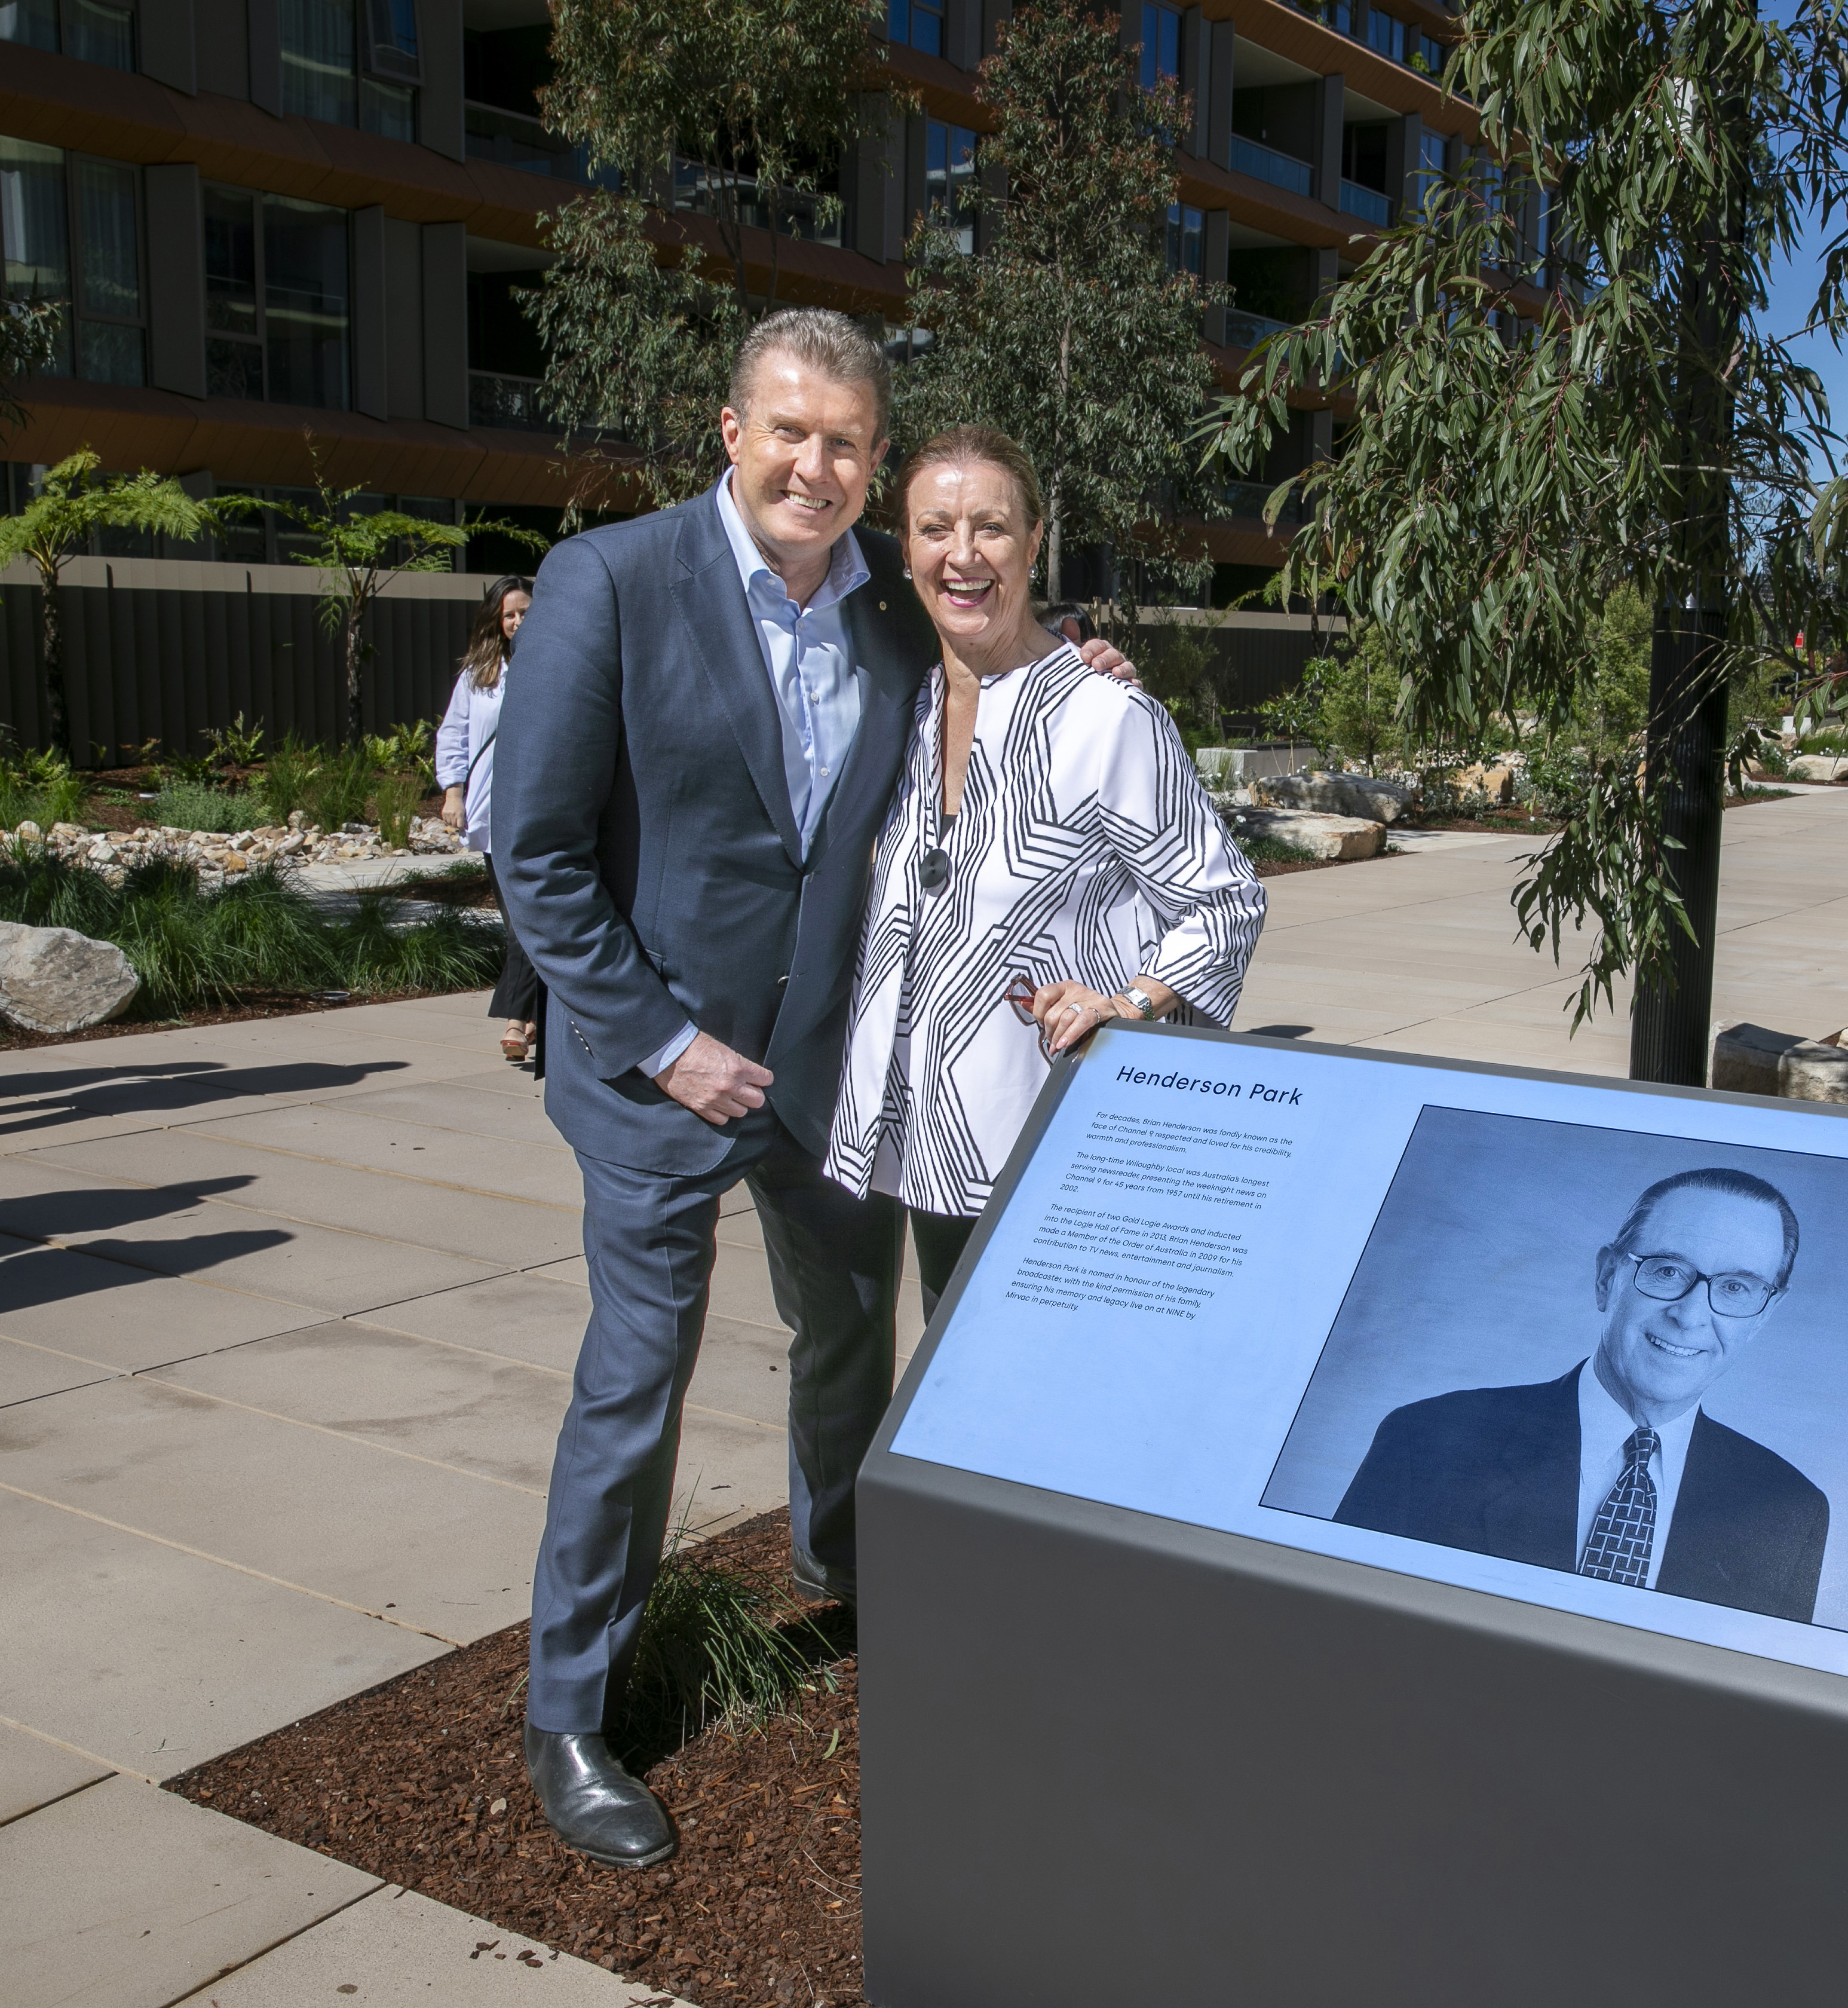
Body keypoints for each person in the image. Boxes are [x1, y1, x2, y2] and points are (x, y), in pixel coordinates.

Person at [491, 310, 1142, 1872]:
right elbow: (537, 856)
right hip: (656, 1077)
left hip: (835, 1067)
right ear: (730, 431)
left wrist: (1073, 668)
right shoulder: (610, 582)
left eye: (848, 440)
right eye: (790, 430)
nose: (818, 464)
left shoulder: (895, 620)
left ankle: (842, 1571)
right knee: (636, 1377)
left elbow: (995, 711)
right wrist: (662, 1038)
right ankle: (568, 1715)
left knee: (849, 1336)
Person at [823, 429, 1264, 1306]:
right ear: (902, 547)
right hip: (902, 1133)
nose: (962, 555)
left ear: (1032, 542)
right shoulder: (899, 704)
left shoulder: (1106, 718)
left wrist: (1128, 1004)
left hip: (1040, 1133)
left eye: (990, 528)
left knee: (1016, 1408)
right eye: (934, 528)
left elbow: (1224, 905)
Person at [1334, 1167, 1828, 1622]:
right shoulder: (1429, 1441)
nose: (1691, 1315)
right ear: (1607, 1278)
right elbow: (1340, 1637)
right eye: (1667, 1271)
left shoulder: (1788, 1511)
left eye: (1737, 1288)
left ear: (1763, 1315)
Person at [434, 574, 543, 1067]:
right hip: (493, 815)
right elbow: (454, 735)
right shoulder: (479, 675)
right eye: (510, 614)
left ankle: (516, 1020)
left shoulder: (557, 665)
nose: (519, 621)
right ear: (496, 622)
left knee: (534, 920)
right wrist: (452, 792)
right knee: (519, 924)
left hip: (544, 813)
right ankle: (533, 1013)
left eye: (525, 611)